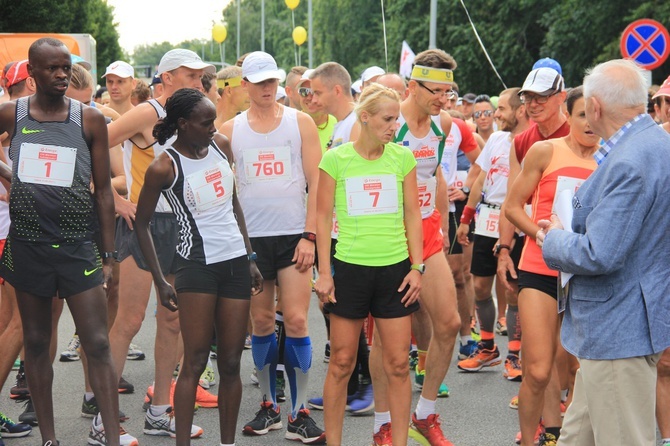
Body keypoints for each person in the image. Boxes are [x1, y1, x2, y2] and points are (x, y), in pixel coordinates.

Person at [0, 37, 137, 446]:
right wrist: (9, 176)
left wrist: (109, 253)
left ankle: (111, 436)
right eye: (52, 68)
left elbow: (102, 191)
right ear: (32, 73)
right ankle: (50, 439)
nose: (61, 75)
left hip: (78, 244)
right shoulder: (13, 114)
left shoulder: (88, 118)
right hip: (28, 245)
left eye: (65, 67)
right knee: (37, 343)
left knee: (97, 341)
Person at [538, 59, 670, 446]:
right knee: (577, 437)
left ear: (594, 107)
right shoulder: (656, 144)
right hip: (625, 324)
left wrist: (554, 238)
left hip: (617, 328)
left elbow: (600, 253)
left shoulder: (632, 158)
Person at [134, 87, 262, 446]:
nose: (212, 127)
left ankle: (227, 442)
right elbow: (142, 223)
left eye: (213, 121)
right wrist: (160, 280)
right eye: (205, 122)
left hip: (235, 262)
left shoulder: (220, 143)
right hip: (196, 267)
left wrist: (250, 257)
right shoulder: (164, 166)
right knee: (194, 360)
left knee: (232, 362)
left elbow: (233, 203)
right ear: (183, 124)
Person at [107, 48, 216, 437]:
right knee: (130, 320)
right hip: (146, 225)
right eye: (190, 76)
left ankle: (159, 411)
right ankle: (105, 419)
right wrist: (115, 199)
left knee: (172, 321)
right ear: (167, 77)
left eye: (201, 76)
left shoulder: (192, 117)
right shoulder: (149, 112)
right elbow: (95, 142)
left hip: (182, 225)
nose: (198, 83)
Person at [219, 51, 325, 444]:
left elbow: (317, 181)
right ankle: (269, 405)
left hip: (295, 236)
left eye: (272, 81)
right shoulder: (229, 130)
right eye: (259, 81)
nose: (267, 88)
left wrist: (310, 235)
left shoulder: (301, 123)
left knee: (296, 321)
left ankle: (299, 413)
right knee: (262, 324)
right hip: (251, 241)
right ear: (244, 85)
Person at [315, 82, 422, 446]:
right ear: (365, 118)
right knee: (342, 363)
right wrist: (324, 273)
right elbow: (322, 217)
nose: (395, 127)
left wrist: (417, 266)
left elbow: (413, 214)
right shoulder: (336, 159)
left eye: (397, 120)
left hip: (395, 271)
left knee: (397, 365)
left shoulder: (402, 158)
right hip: (349, 270)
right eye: (388, 119)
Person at [373, 48, 461, 446]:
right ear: (412, 85)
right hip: (389, 233)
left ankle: (424, 415)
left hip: (426, 232)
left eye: (449, 91)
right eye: (436, 91)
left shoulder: (443, 123)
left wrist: (441, 225)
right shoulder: (391, 121)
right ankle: (382, 424)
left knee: (450, 324)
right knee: (389, 341)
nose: (444, 99)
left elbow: (436, 173)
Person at [506, 86, 598, 446]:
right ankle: (532, 439)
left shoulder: (610, 161)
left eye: (595, 115)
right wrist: (542, 237)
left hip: (585, 274)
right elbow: (512, 206)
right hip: (540, 268)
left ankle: (563, 435)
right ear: (569, 116)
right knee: (539, 370)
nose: (590, 123)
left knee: (576, 370)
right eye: (581, 115)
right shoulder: (545, 151)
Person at [456, 87, 529, 379]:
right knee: (481, 287)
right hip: (487, 218)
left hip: (516, 220)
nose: (495, 114)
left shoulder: (532, 142)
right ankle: (488, 348)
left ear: (519, 111)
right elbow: (482, 178)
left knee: (513, 290)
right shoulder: (497, 139)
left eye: (501, 109)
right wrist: (465, 218)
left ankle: (515, 354)